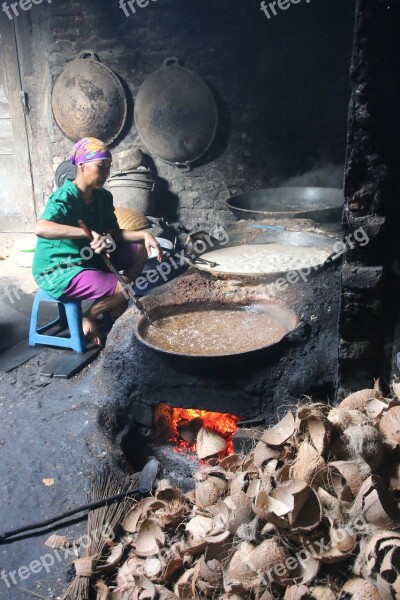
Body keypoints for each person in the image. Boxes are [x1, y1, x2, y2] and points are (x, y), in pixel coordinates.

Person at [32, 137, 162, 346]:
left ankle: (109, 302)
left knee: (139, 250)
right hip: (60, 268)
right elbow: (41, 228)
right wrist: (87, 234)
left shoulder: (103, 197)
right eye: (101, 167)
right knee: (123, 289)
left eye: (108, 168)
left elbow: (112, 232)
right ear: (81, 166)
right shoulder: (64, 197)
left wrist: (144, 235)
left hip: (89, 259)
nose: (106, 174)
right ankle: (95, 312)